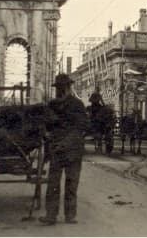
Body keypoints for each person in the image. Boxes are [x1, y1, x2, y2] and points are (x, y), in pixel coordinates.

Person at [40, 74, 89, 226]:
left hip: (68, 148)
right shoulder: (55, 105)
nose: (59, 90)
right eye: (58, 88)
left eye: (61, 88)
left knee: (68, 183)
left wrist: (59, 141)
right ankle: (57, 216)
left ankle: (63, 215)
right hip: (64, 148)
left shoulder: (75, 105)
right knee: (58, 184)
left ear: (68, 88)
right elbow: (46, 126)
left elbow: (81, 127)